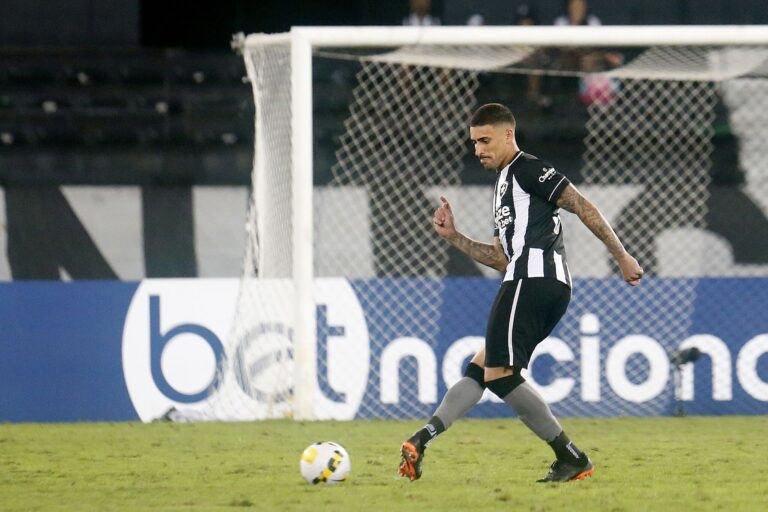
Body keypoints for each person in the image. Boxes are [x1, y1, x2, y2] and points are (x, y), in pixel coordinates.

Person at [398, 103, 643, 483]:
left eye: (485, 140)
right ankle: (420, 440)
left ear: (508, 135)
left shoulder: (529, 169)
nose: (478, 149)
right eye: (474, 142)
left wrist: (621, 255)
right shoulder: (502, 186)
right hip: (531, 279)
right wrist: (453, 237)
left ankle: (572, 457)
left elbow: (582, 205)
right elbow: (499, 257)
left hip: (534, 279)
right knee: (482, 367)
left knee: (498, 374)